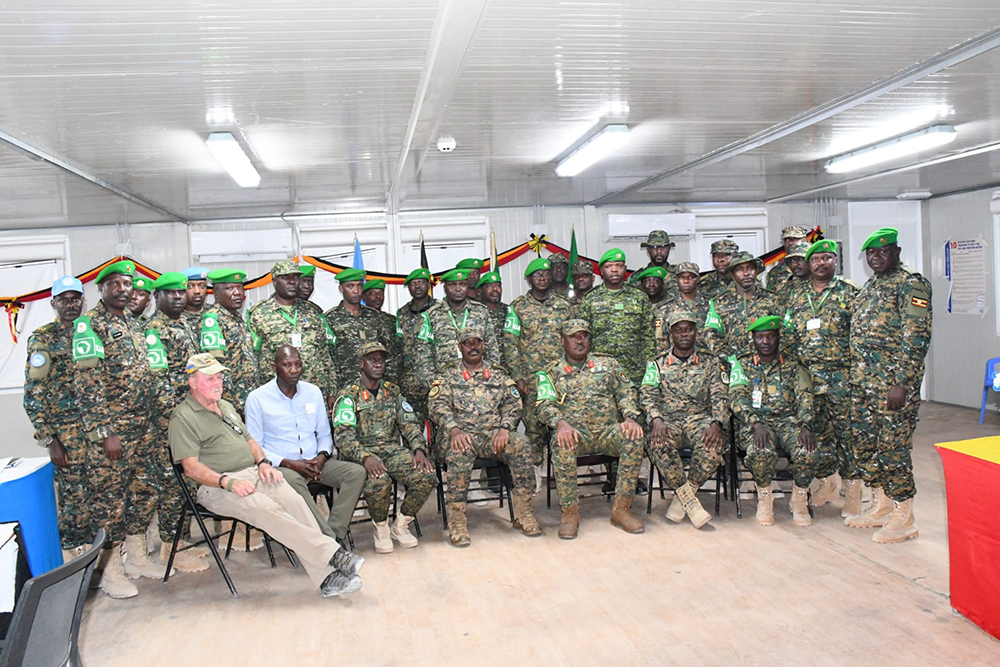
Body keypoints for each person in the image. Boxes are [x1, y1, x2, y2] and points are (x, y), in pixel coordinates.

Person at [169, 353, 363, 598]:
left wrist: (263, 463)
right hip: (218, 486)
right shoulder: (183, 417)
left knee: (293, 501)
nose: (217, 383)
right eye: (210, 379)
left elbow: (250, 441)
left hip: (253, 473)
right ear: (192, 382)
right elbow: (191, 468)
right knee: (266, 509)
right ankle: (333, 555)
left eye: (219, 377)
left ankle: (327, 578)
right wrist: (227, 482)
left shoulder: (224, 406)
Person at [71, 260, 161, 598]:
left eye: (127, 284)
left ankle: (136, 557)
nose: (123, 290)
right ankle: (109, 571)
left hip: (143, 427)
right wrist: (105, 432)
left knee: (143, 492)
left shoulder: (134, 325)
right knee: (110, 502)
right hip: (114, 434)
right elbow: (87, 385)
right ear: (101, 288)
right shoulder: (90, 325)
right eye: (115, 284)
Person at [846, 228, 932, 543]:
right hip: (864, 385)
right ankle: (881, 505)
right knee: (865, 447)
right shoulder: (871, 286)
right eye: (871, 253)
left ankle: (903, 517)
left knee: (893, 451)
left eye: (882, 251)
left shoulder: (911, 284)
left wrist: (902, 383)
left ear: (897, 251)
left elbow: (916, 338)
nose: (875, 257)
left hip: (891, 388)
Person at [428, 326, 542, 546]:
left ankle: (523, 512)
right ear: (460, 347)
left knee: (520, 444)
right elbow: (436, 405)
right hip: (460, 435)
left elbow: (513, 403)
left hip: (493, 436)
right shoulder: (447, 375)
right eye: (467, 343)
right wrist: (453, 429)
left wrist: (505, 428)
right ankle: (457, 520)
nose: (473, 347)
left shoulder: (498, 374)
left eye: (477, 342)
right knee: (459, 449)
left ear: (483, 345)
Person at [534, 319, 646, 539]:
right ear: (563, 341)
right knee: (562, 443)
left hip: (607, 432)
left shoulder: (608, 365)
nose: (580, 341)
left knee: (633, 438)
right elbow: (544, 405)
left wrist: (630, 417)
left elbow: (626, 392)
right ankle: (570, 514)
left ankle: (622, 510)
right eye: (573, 337)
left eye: (584, 336)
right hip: (575, 434)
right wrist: (560, 423)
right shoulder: (550, 372)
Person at [245, 346, 366, 547]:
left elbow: (324, 434)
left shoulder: (312, 392)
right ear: (274, 367)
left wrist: (321, 458)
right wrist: (289, 463)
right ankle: (329, 542)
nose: (294, 370)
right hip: (281, 466)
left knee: (356, 473)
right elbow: (255, 446)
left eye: (298, 365)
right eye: (287, 365)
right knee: (294, 482)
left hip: (314, 462)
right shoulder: (257, 398)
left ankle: (334, 533)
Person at [332, 342, 436, 554]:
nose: (378, 365)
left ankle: (401, 524)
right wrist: (365, 457)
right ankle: (380, 527)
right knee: (379, 480)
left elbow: (409, 425)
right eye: (372, 360)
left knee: (426, 474)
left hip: (390, 450)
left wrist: (419, 450)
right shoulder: (349, 395)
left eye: (381, 360)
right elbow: (343, 436)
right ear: (361, 364)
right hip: (361, 454)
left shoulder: (393, 392)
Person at [784, 240, 861, 515]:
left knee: (847, 434)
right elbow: (789, 335)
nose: (821, 263)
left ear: (835, 261)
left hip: (842, 378)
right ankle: (828, 484)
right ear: (809, 263)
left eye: (827, 258)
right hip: (808, 379)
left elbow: (860, 336)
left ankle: (853, 492)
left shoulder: (850, 292)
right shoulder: (796, 295)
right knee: (817, 434)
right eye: (815, 259)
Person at [143, 272, 209, 573]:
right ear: (157, 297)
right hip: (170, 423)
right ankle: (171, 548)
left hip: (192, 416)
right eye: (171, 293)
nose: (179, 297)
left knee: (187, 483)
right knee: (172, 485)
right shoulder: (153, 331)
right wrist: (179, 418)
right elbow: (158, 381)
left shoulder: (184, 324)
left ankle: (181, 541)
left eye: (181, 292)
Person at [23, 276, 93, 562]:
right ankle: (74, 557)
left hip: (95, 430)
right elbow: (33, 395)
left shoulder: (91, 333)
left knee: (99, 494)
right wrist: (50, 440)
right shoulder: (42, 338)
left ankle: (100, 553)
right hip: (66, 435)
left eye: (75, 299)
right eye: (63, 300)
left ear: (82, 302)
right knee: (73, 498)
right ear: (53, 303)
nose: (70, 305)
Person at [639, 312, 729, 529]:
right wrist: (656, 419)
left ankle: (683, 499)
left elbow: (720, 395)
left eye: (688, 329)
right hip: (668, 421)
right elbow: (647, 394)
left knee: (713, 445)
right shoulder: (656, 363)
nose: (684, 334)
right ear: (671, 334)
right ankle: (691, 502)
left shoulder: (710, 362)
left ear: (695, 332)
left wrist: (716, 423)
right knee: (658, 442)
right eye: (678, 330)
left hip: (700, 419)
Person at [729, 316, 817, 527]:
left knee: (808, 451)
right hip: (756, 425)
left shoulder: (793, 365)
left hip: (789, 422)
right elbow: (737, 398)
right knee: (760, 451)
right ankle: (765, 498)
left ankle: (799, 499)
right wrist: (755, 423)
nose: (766, 342)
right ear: (753, 339)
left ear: (778, 338)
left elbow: (805, 395)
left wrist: (806, 424)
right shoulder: (741, 365)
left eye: (771, 336)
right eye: (760, 337)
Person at [508, 257, 573, 467]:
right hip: (531, 379)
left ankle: (560, 469)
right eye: (537, 275)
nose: (542, 278)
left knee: (561, 421)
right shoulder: (517, 307)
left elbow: (574, 339)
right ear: (529, 279)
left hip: (560, 377)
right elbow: (510, 344)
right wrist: (518, 378)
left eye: (545, 274)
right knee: (534, 426)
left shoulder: (564, 306)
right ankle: (536, 469)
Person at [247, 261, 338, 404]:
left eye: (295, 277)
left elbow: (324, 354)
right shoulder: (259, 314)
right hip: (277, 396)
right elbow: (253, 359)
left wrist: (331, 391)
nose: (291, 282)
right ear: (275, 281)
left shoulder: (312, 311)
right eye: (285, 277)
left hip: (314, 392)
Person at [576, 248, 654, 388]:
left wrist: (649, 369)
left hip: (634, 372)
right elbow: (583, 337)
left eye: (619, 265)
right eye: (608, 266)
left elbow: (648, 336)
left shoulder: (639, 297)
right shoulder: (591, 299)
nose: (614, 270)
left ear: (625, 268)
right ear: (601, 271)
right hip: (600, 372)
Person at [199, 269, 259, 412]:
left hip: (247, 397)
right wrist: (229, 406)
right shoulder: (213, 320)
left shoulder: (237, 318)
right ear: (215, 293)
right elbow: (215, 368)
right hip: (230, 402)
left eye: (240, 288)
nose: (237, 293)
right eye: (229, 288)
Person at [325, 268, 395, 387]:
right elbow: (327, 357)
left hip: (374, 386)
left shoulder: (373, 316)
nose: (356, 291)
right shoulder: (330, 318)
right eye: (350, 286)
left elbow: (387, 350)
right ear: (341, 288)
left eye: (359, 286)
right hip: (345, 386)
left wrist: (390, 383)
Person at [427, 268, 501, 379]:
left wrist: (490, 378)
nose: (458, 289)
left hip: (479, 380)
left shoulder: (481, 311)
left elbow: (492, 349)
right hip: (445, 381)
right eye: (452, 285)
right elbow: (425, 354)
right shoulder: (432, 315)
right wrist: (433, 381)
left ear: (468, 286)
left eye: (462, 284)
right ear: (445, 288)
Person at [710, 252, 779, 359]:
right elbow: (712, 336)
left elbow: (785, 332)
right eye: (739, 270)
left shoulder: (773, 299)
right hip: (733, 364)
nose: (746, 273)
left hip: (767, 363)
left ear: (756, 271)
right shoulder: (719, 303)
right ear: (732, 274)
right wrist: (731, 359)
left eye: (750, 268)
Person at [394, 267, 439, 426]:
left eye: (421, 282)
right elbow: (398, 348)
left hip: (436, 384)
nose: (417, 286)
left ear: (428, 285)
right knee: (412, 430)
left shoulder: (440, 310)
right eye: (413, 284)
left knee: (440, 431)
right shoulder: (402, 313)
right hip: (410, 385)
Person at [655, 262, 716, 355]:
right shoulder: (665, 308)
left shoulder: (711, 305)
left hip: (706, 359)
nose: (686, 281)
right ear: (676, 280)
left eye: (691, 277)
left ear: (698, 279)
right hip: (676, 360)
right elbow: (661, 341)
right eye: (682, 277)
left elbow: (718, 336)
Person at [474, 271, 517, 374]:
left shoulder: (509, 311)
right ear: (480, 290)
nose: (495, 289)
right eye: (489, 286)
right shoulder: (474, 312)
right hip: (484, 371)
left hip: (509, 371)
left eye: (498, 285)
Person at [629, 230, 678, 299]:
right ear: (648, 250)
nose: (659, 251)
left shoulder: (679, 274)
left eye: (663, 247)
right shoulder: (637, 277)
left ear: (669, 248)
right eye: (654, 247)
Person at [766, 226, 808, 291]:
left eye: (795, 238)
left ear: (805, 240)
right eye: (787, 239)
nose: (790, 242)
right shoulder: (775, 272)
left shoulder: (814, 268)